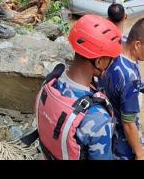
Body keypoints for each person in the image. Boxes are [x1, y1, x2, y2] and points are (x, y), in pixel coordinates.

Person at [34, 14, 122, 160]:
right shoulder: (99, 118)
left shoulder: (51, 83)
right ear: (99, 62)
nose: (111, 64)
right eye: (110, 60)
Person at [98, 18, 144, 160]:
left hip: (106, 111)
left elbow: (137, 82)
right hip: (119, 132)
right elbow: (128, 124)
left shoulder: (119, 46)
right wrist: (140, 154)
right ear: (137, 45)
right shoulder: (130, 79)